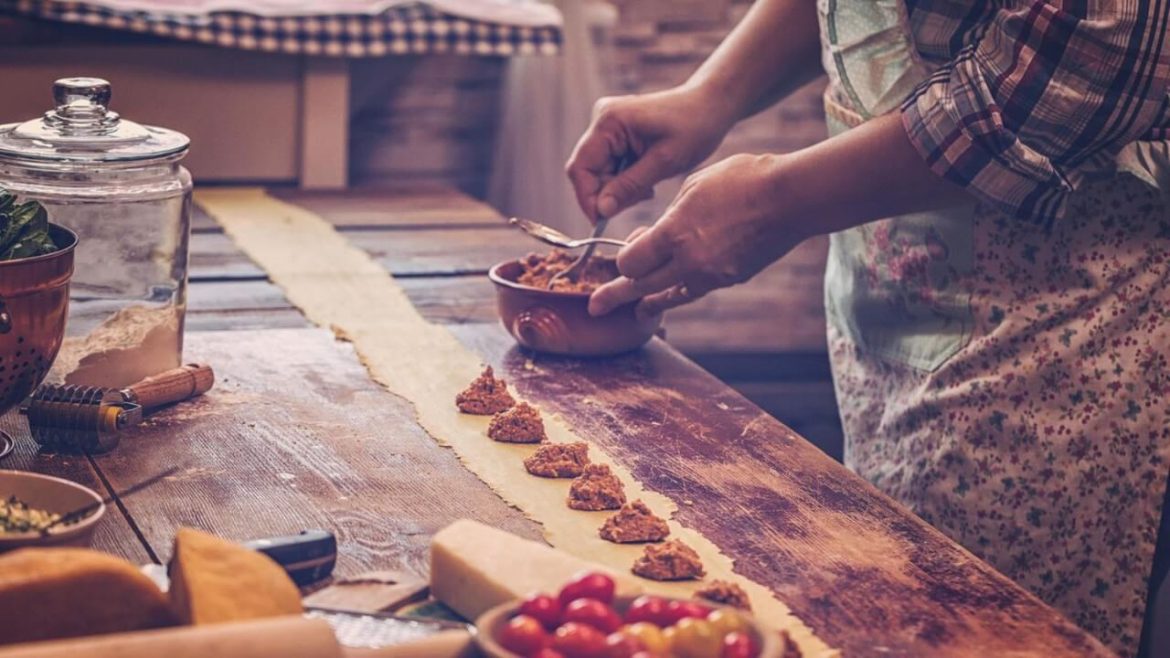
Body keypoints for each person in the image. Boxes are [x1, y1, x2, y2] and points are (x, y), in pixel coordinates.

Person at [565, 1, 1170, 655]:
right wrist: (711, 94)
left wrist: (777, 200)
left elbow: (1070, 72)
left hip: (1065, 349)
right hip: (892, 312)